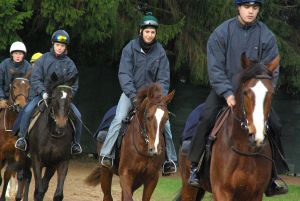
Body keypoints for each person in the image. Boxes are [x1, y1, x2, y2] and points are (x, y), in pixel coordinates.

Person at [187, 0, 289, 196]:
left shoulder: (266, 35)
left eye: (255, 8)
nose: (251, 12)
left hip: (254, 94)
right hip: (225, 91)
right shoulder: (221, 33)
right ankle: (195, 168)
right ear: (238, 8)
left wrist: (266, 93)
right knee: (207, 117)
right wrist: (227, 93)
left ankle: (273, 176)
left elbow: (272, 71)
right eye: (247, 7)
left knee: (275, 124)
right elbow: (215, 68)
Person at [100, 12, 177, 175]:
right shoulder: (130, 48)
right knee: (120, 118)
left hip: (153, 99)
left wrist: (158, 97)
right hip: (131, 94)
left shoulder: (160, 52)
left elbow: (164, 78)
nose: (150, 35)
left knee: (166, 124)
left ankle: (169, 160)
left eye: (153, 32)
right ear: (140, 31)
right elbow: (124, 74)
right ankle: (107, 154)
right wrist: (133, 95)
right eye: (147, 31)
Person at [14, 30, 83, 155]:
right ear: (53, 44)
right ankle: (22, 138)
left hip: (61, 99)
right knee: (28, 110)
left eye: (62, 46)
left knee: (78, 115)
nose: (59, 48)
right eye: (57, 45)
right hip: (43, 95)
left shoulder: (70, 64)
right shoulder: (43, 59)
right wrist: (42, 92)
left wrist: (67, 96)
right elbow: (35, 78)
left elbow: (75, 84)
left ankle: (75, 144)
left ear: (65, 47)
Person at [0, 41, 32, 109]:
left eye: (20, 54)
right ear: (12, 54)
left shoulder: (28, 66)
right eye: (16, 53)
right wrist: (1, 98)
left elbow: (31, 85)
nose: (18, 56)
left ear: (23, 55)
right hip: (5, 98)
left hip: (22, 99)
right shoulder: (4, 64)